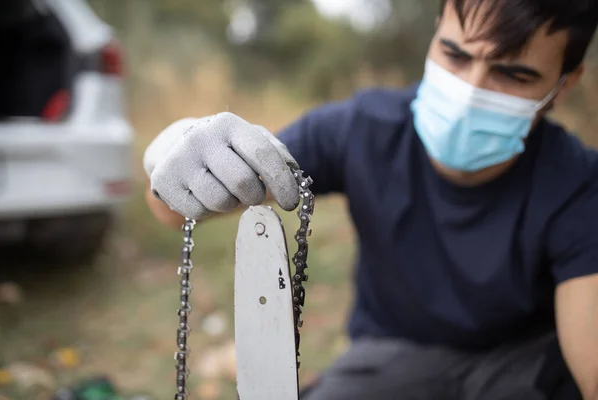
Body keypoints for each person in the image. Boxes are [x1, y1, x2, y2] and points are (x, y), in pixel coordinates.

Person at [142, 0, 598, 398]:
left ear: (566, 82)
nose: (471, 90)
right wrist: (179, 149)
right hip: (388, 361)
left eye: (513, 74)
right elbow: (171, 209)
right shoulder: (361, 129)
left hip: (522, 367)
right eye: (455, 55)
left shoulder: (578, 185)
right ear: (436, 31)